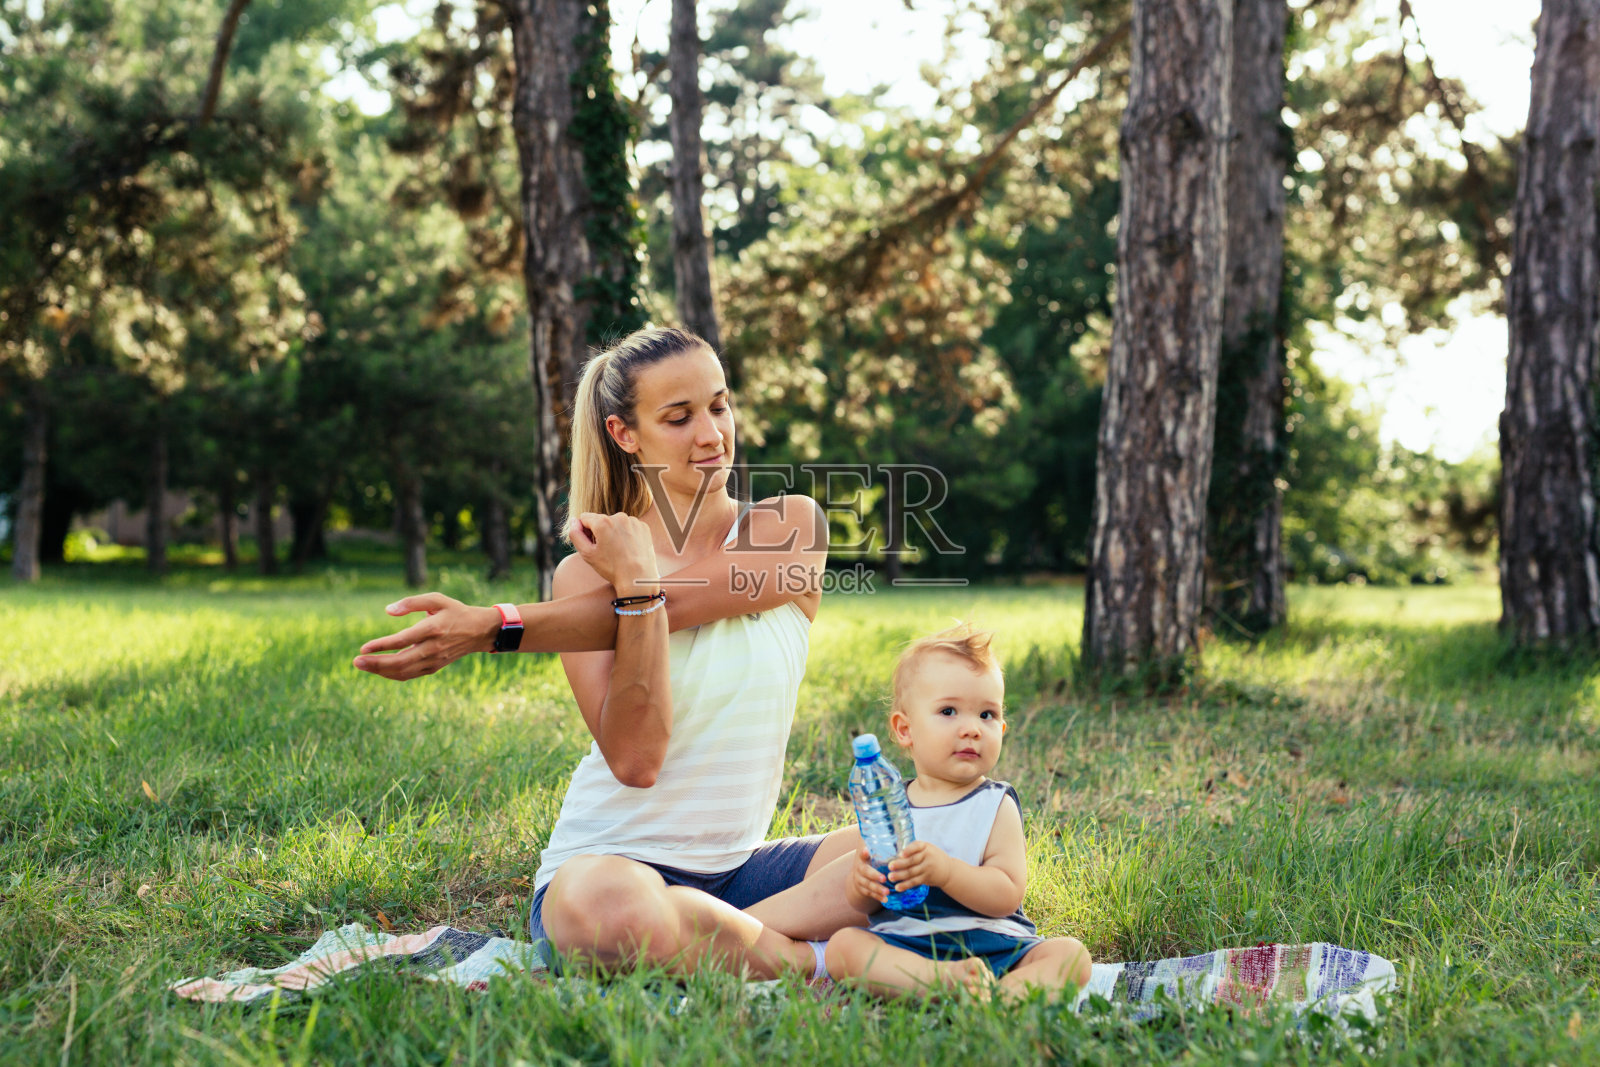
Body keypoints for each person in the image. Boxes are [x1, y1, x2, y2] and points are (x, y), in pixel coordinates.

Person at [353, 326, 859, 978]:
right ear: (626, 435)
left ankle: (728, 939)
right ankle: (806, 958)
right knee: (605, 914)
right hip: (615, 867)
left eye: (719, 405)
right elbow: (637, 758)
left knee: (935, 843)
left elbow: (682, 601)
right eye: (678, 418)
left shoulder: (788, 527)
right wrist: (629, 589)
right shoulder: (583, 577)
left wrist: (496, 625)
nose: (711, 434)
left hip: (741, 870)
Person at [824, 623, 1093, 999]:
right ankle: (945, 984)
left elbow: (1006, 894)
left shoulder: (994, 804)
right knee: (843, 947)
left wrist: (947, 872)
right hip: (910, 948)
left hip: (995, 947)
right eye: (949, 711)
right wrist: (861, 884)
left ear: (1002, 727)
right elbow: (865, 901)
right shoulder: (888, 805)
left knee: (1071, 955)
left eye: (986, 715)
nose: (972, 729)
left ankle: (1000, 997)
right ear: (905, 730)